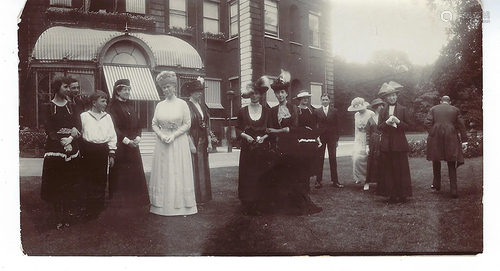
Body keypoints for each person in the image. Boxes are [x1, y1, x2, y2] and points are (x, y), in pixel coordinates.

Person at [264, 70, 322, 215]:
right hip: (279, 148)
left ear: (286, 93)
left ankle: (296, 205)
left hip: (292, 147)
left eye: (282, 92)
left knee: (294, 176)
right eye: (277, 93)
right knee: (280, 176)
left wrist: (277, 131)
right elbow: (269, 130)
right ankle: (281, 204)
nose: (280, 95)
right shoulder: (272, 111)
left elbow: (294, 128)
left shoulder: (293, 108)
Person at [148, 71, 197, 216]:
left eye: (168, 87)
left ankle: (182, 206)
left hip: (178, 141)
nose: (166, 90)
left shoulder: (182, 104)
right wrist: (162, 135)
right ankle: (161, 206)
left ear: (174, 87)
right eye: (163, 88)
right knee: (164, 170)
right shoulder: (159, 105)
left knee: (177, 169)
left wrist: (174, 135)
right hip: (163, 142)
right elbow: (154, 123)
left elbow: (187, 124)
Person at [40, 75, 82, 229]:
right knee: (57, 184)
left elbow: (78, 125)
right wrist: (61, 142)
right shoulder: (48, 106)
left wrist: (70, 139)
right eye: (65, 87)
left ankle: (67, 216)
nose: (68, 89)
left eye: (68, 87)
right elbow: (48, 129)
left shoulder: (72, 106)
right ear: (57, 88)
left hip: (71, 148)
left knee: (69, 183)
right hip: (55, 150)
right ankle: (58, 217)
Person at [107, 79, 150, 212]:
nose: (127, 92)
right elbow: (113, 127)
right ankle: (119, 202)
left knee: (134, 173)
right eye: (125, 89)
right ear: (117, 91)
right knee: (121, 173)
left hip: (133, 147)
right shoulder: (111, 108)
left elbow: (138, 124)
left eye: (129, 89)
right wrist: (126, 141)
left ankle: (135, 200)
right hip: (121, 147)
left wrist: (137, 137)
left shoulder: (131, 107)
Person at [235, 77, 272, 215]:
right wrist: (246, 136)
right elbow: (238, 128)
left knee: (260, 175)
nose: (255, 96)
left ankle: (260, 203)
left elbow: (270, 129)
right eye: (252, 93)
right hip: (247, 150)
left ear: (260, 94)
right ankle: (247, 203)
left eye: (257, 93)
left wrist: (263, 137)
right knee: (247, 175)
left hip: (262, 149)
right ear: (249, 95)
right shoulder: (242, 111)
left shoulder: (267, 111)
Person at [79, 90, 117, 219]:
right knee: (89, 178)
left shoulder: (107, 117)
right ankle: (88, 207)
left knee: (101, 179)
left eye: (106, 101)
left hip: (102, 150)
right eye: (102, 101)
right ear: (94, 102)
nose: (105, 103)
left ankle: (98, 207)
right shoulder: (84, 116)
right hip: (88, 150)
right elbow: (80, 132)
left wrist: (111, 153)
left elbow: (112, 135)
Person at [424, 95, 468, 198]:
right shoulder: (455, 109)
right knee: (451, 162)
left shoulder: (433, 109)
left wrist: (433, 132)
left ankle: (437, 185)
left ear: (440, 101)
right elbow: (462, 125)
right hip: (451, 136)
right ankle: (454, 190)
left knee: (436, 160)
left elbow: (427, 123)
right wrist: (464, 140)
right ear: (450, 102)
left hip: (436, 137)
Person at [376, 81, 412, 203]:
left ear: (397, 96)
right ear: (386, 97)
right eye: (389, 96)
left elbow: (408, 126)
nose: (392, 98)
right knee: (389, 170)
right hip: (387, 143)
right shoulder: (382, 111)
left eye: (394, 95)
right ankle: (391, 195)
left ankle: (402, 195)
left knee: (401, 169)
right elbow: (379, 127)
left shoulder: (403, 109)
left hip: (399, 143)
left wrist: (398, 121)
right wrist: (386, 123)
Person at [183, 77, 213, 205]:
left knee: (203, 166)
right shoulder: (187, 106)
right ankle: (195, 197)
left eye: (200, 91)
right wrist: (190, 144)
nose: (200, 93)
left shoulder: (202, 106)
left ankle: (204, 197)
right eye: (197, 91)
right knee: (194, 167)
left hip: (203, 139)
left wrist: (210, 142)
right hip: (193, 139)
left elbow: (207, 124)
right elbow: (186, 127)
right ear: (191, 93)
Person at [313, 93, 343, 188]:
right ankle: (318, 181)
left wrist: (337, 139)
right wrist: (316, 137)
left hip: (332, 137)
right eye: (323, 99)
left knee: (333, 158)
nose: (325, 101)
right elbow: (314, 125)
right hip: (321, 137)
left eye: (326, 99)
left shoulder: (334, 111)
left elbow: (338, 125)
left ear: (329, 100)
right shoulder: (317, 111)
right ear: (321, 100)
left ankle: (335, 181)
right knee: (320, 159)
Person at [294, 90, 321, 192]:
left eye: (307, 98)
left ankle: (306, 185)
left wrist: (317, 138)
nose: (306, 99)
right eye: (304, 98)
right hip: (301, 138)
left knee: (309, 162)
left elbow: (314, 126)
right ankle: (300, 185)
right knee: (301, 162)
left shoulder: (310, 110)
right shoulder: (296, 110)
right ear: (299, 99)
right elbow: (295, 125)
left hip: (311, 139)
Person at [348, 97, 374, 190]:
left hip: (367, 138)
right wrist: (355, 139)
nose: (358, 110)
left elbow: (373, 128)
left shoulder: (371, 113)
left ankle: (367, 181)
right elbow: (356, 128)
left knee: (366, 159)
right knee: (356, 158)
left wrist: (371, 141)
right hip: (359, 138)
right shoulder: (356, 115)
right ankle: (358, 177)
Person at [365, 98, 385, 186]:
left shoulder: (385, 118)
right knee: (372, 162)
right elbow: (368, 134)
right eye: (379, 105)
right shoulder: (370, 120)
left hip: (383, 140)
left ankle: (382, 182)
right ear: (376, 107)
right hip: (374, 142)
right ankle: (368, 182)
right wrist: (367, 145)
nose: (381, 107)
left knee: (383, 161)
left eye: (382, 105)